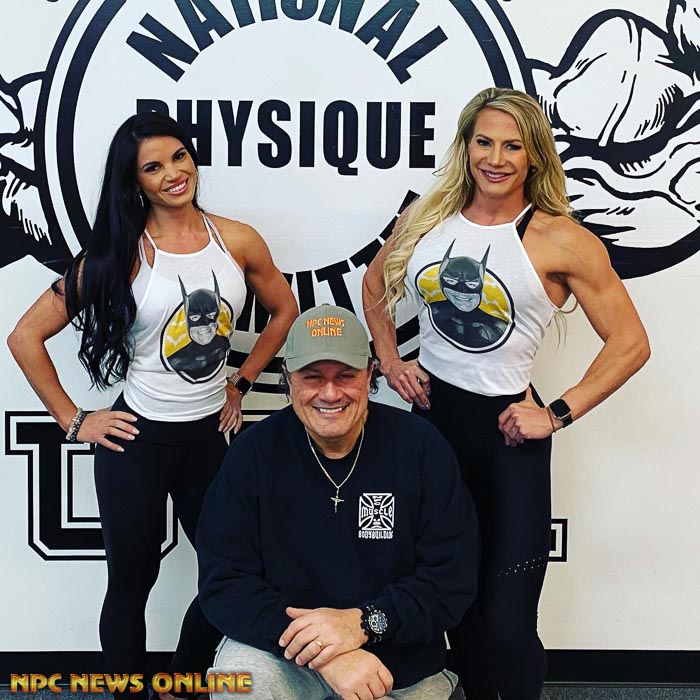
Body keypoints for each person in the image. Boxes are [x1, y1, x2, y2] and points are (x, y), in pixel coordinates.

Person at [362, 87, 650, 700]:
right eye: (484, 143)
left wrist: (558, 413)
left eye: (512, 146)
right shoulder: (428, 218)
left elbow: (630, 343)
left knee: (508, 622)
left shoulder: (560, 239)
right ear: (465, 147)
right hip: (431, 431)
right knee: (455, 606)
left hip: (506, 441)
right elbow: (375, 282)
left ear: (534, 155)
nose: (496, 159)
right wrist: (389, 358)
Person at [7, 112, 298, 699]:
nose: (173, 174)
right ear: (134, 181)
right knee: (130, 583)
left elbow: (284, 309)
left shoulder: (237, 240)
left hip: (208, 441)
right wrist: (75, 420)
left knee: (233, 574)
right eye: (153, 167)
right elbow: (24, 337)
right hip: (136, 443)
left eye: (179, 157)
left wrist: (240, 383)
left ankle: (181, 682)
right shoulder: (120, 255)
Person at [196, 304, 478, 700]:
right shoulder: (253, 452)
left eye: (345, 376)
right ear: (288, 379)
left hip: (397, 662)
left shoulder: (421, 447)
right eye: (312, 377)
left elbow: (450, 579)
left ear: (370, 374)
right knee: (242, 683)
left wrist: (363, 625)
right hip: (284, 651)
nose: (330, 394)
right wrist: (325, 652)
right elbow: (226, 583)